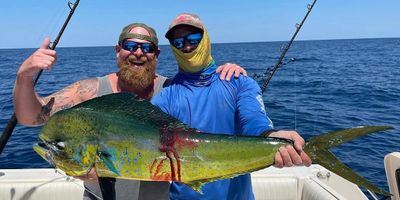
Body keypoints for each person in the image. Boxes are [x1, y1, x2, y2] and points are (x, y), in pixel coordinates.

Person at [13, 23, 247, 200]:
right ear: (118, 50)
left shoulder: (172, 91)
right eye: (130, 45)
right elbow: (30, 117)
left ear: (156, 55)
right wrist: (24, 76)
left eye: (147, 48)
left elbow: (213, 101)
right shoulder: (90, 91)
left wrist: (224, 74)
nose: (138, 52)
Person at [151, 13, 312, 200]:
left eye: (193, 39)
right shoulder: (165, 98)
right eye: (178, 42)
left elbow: (253, 121)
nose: (186, 46)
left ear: (205, 38)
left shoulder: (238, 82)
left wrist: (270, 136)